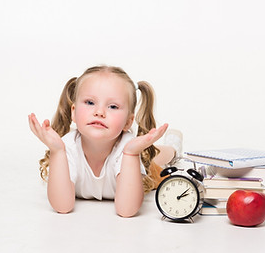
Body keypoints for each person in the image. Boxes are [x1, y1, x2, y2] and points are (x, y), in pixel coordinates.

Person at [28, 65, 182, 217]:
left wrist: (131, 154)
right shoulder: (67, 146)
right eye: (90, 102)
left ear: (128, 122)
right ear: (73, 112)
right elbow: (62, 206)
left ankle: (172, 148)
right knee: (151, 155)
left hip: (132, 157)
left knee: (154, 159)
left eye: (113, 106)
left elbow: (126, 210)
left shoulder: (128, 146)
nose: (99, 112)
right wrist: (57, 151)